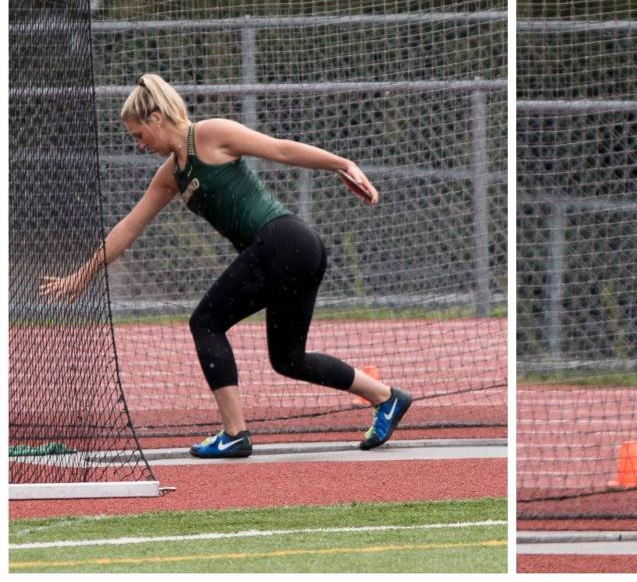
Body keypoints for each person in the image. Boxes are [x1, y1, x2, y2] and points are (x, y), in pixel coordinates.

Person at [40, 73, 413, 458]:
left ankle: (235, 433)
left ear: (155, 118)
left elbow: (280, 150)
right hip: (293, 251)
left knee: (205, 322)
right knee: (288, 360)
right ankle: (387, 397)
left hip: (285, 242)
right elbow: (128, 227)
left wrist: (342, 163)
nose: (139, 145)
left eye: (138, 134)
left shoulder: (210, 133)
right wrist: (82, 276)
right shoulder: (170, 176)